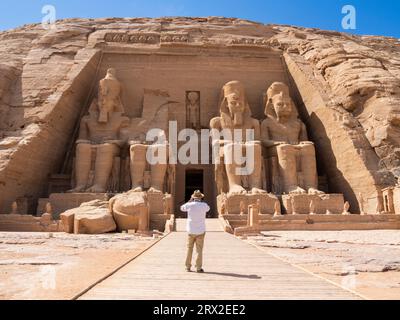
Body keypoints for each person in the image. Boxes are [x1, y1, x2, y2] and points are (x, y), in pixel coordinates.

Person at [180, 190, 210, 273]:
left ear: (193, 197)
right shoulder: (204, 205)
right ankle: (198, 267)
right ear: (201, 197)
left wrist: (189, 201)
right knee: (199, 250)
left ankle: (187, 266)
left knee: (189, 249)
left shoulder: (189, 205)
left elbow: (182, 208)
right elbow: (208, 209)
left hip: (191, 230)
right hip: (200, 230)